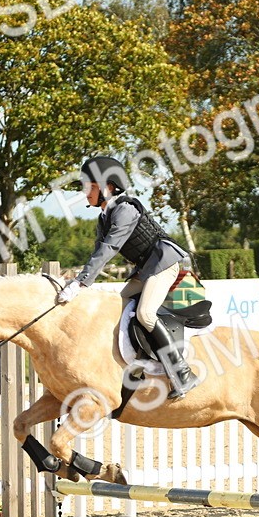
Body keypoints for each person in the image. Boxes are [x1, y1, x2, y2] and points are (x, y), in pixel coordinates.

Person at [56, 156, 198, 400]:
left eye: (89, 186)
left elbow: (109, 249)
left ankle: (182, 371)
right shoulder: (104, 216)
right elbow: (97, 251)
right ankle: (138, 364)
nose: (85, 192)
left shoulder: (126, 209)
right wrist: (79, 280)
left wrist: (81, 282)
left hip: (164, 263)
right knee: (117, 309)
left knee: (145, 314)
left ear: (107, 187)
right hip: (146, 269)